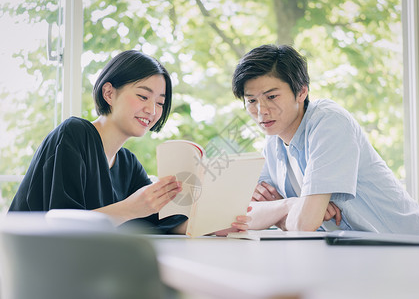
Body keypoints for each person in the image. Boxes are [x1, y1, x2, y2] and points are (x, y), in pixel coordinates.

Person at [9, 50, 249, 235]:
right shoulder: (73, 134)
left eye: (159, 102)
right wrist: (132, 207)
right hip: (31, 269)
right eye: (143, 96)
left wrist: (213, 227)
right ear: (109, 93)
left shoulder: (127, 163)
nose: (151, 109)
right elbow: (63, 226)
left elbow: (160, 219)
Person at [231, 44, 419, 236]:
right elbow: (240, 216)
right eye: (251, 101)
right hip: (350, 253)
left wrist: (280, 215)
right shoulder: (273, 143)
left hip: (405, 251)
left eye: (272, 96)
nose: (261, 111)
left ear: (301, 91)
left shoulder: (329, 122)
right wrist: (289, 205)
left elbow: (304, 224)